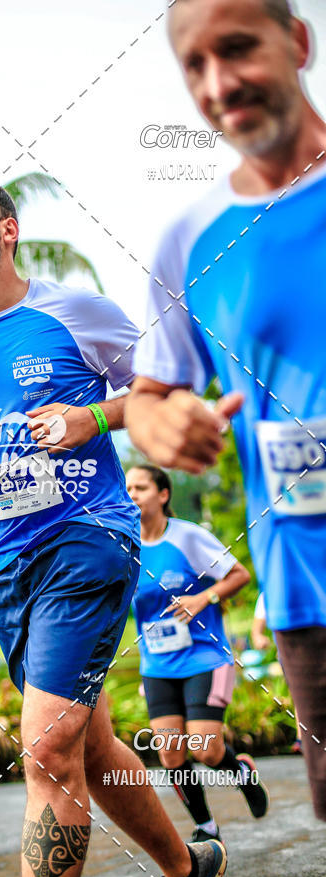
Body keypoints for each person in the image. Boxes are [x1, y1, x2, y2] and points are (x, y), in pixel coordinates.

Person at [0, 176, 227, 877]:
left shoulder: (78, 313)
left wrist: (89, 418)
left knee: (44, 748)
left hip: (88, 536)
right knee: (87, 745)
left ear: (8, 229)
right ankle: (187, 869)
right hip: (5, 563)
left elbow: (163, 389)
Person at [128, 0, 326, 822]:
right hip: (306, 586)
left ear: (298, 42)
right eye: (195, 65)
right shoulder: (192, 239)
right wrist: (164, 424)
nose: (218, 82)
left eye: (238, 48)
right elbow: (149, 395)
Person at [126, 465, 268, 842]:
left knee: (205, 749)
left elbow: (239, 575)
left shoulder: (186, 537)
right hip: (157, 664)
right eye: (128, 488)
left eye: (141, 487)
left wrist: (203, 598)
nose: (132, 494)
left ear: (163, 494)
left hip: (205, 657)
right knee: (171, 754)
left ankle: (241, 774)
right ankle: (206, 827)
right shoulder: (125, 544)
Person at [251, 593, 302, 753]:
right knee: (300, 694)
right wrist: (260, 639)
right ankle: (302, 739)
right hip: (289, 654)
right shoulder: (269, 593)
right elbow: (256, 631)